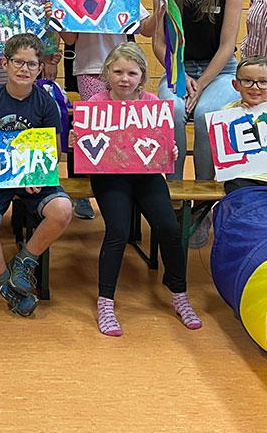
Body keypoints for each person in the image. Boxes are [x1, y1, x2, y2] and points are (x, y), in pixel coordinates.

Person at [76, 43, 199, 336]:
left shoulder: (153, 103)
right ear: (107, 73)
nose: (124, 79)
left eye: (132, 73)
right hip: (109, 176)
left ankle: (179, 294)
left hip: (145, 174)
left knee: (168, 227)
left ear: (142, 76)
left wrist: (170, 148)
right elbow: (87, 148)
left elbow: (163, 145)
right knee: (117, 230)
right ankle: (105, 301)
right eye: (117, 72)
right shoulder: (95, 104)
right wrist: (76, 139)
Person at [0, 33, 72, 318]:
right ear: (5, 63)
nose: (24, 69)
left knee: (63, 209)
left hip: (33, 180)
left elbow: (55, 153)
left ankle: (25, 261)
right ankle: (7, 285)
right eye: (18, 62)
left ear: (41, 68)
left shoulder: (46, 104)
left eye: (31, 64)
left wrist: (39, 174)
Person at [58, 0, 159, 220]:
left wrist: (160, 7)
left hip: (123, 70)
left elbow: (146, 29)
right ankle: (84, 190)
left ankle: (123, 184)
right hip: (89, 68)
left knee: (124, 124)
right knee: (91, 127)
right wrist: (59, 15)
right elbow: (69, 38)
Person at [151, 0, 243, 181]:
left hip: (221, 72)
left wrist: (200, 83)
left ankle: (203, 199)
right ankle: (173, 197)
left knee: (206, 115)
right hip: (177, 69)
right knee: (173, 110)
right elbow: (158, 41)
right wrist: (181, 75)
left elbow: (227, 45)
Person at [188, 56, 267, 250]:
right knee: (243, 207)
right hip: (239, 178)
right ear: (236, 84)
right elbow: (221, 156)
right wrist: (240, 118)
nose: (255, 87)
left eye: (262, 82)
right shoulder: (225, 113)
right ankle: (244, 246)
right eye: (247, 81)